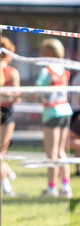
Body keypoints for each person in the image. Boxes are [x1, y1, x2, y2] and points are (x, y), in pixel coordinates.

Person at [35, 38, 72, 198]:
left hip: (51, 112)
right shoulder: (64, 70)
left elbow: (36, 91)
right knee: (61, 150)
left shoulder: (47, 71)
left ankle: (51, 188)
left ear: (49, 52)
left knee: (51, 152)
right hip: (65, 111)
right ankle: (65, 185)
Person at [0, 38, 19, 197]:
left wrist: (3, 93)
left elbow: (17, 95)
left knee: (1, 151)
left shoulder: (12, 72)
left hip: (6, 113)